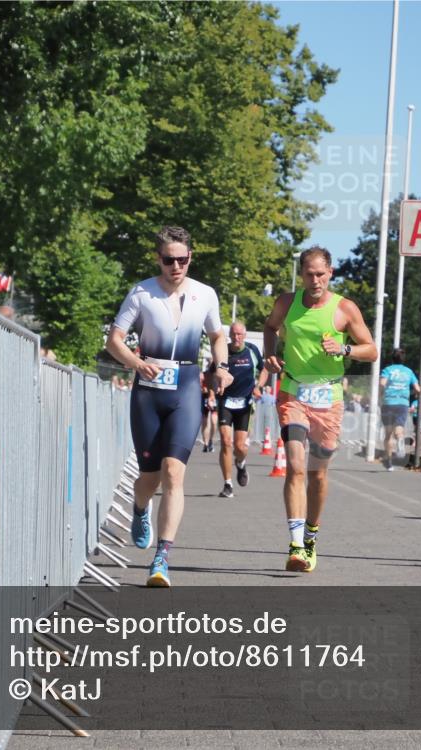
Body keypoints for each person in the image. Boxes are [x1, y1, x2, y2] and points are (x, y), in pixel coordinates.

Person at [106, 225, 233, 587]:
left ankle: (162, 558)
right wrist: (136, 363)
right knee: (149, 478)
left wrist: (221, 367)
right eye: (168, 260)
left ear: (191, 257)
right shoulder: (141, 292)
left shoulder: (205, 294)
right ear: (158, 259)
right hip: (148, 389)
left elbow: (217, 335)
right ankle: (140, 508)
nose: (176, 266)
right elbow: (115, 340)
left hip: (187, 387)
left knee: (174, 472)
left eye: (182, 259)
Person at [263, 247, 377, 572]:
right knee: (296, 467)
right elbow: (270, 328)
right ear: (301, 274)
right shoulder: (287, 303)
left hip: (329, 400)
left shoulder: (344, 309)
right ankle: (296, 544)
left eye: (320, 274)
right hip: (293, 392)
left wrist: (344, 348)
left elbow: (372, 350)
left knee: (318, 474)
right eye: (309, 274)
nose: (315, 280)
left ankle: (312, 535)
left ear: (330, 273)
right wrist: (270, 355)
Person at [216, 321, 269, 498]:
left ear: (244, 335)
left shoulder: (252, 351)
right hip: (225, 401)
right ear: (229, 335)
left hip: (245, 403)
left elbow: (264, 370)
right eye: (233, 334)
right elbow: (211, 373)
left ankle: (240, 462)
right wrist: (214, 387)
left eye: (239, 334)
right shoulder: (223, 351)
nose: (236, 337)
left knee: (239, 446)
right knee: (225, 441)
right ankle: (227, 484)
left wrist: (258, 386)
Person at [379, 348, 421, 470]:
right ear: (403, 359)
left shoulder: (387, 370)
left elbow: (382, 384)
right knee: (399, 429)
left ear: (392, 358)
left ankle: (389, 461)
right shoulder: (409, 372)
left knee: (388, 434)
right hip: (402, 403)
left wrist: (379, 396)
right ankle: (401, 442)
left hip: (388, 402)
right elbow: (418, 389)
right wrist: (418, 397)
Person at [200, 371, 218, 452]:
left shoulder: (219, 374)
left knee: (214, 422)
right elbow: (200, 387)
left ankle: (211, 440)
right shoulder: (204, 374)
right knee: (204, 422)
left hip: (214, 399)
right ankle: (205, 443)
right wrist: (203, 389)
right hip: (205, 399)